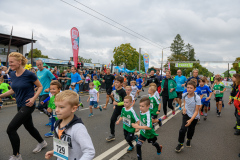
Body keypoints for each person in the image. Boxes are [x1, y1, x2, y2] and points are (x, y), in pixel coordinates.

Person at [0, 52, 47, 160]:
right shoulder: (12, 73)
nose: (9, 64)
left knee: (11, 129)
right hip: (19, 104)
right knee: (29, 127)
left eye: (11, 62)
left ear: (19, 62)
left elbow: (40, 87)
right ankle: (42, 142)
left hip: (28, 104)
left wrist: (34, 98)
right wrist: (1, 95)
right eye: (9, 62)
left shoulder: (29, 74)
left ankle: (17, 155)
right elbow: (13, 90)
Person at [45, 90, 95, 160]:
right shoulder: (56, 124)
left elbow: (89, 151)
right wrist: (54, 151)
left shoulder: (78, 128)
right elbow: (62, 144)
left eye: (61, 107)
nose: (56, 110)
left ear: (73, 108)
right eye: (56, 106)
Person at [175, 81, 201, 153]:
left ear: (195, 89)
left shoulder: (197, 98)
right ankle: (180, 144)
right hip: (186, 114)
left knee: (191, 130)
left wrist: (190, 120)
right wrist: (184, 108)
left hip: (194, 117)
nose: (189, 89)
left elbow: (196, 111)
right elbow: (185, 101)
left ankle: (189, 139)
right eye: (188, 87)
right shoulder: (185, 95)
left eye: (191, 88)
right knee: (183, 129)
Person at [106, 76, 126, 141]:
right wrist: (115, 103)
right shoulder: (115, 90)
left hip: (124, 109)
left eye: (117, 82)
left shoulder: (123, 91)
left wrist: (118, 104)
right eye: (115, 82)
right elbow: (117, 99)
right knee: (112, 120)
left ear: (121, 83)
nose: (116, 84)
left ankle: (133, 133)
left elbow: (125, 102)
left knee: (128, 122)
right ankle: (112, 135)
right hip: (117, 108)